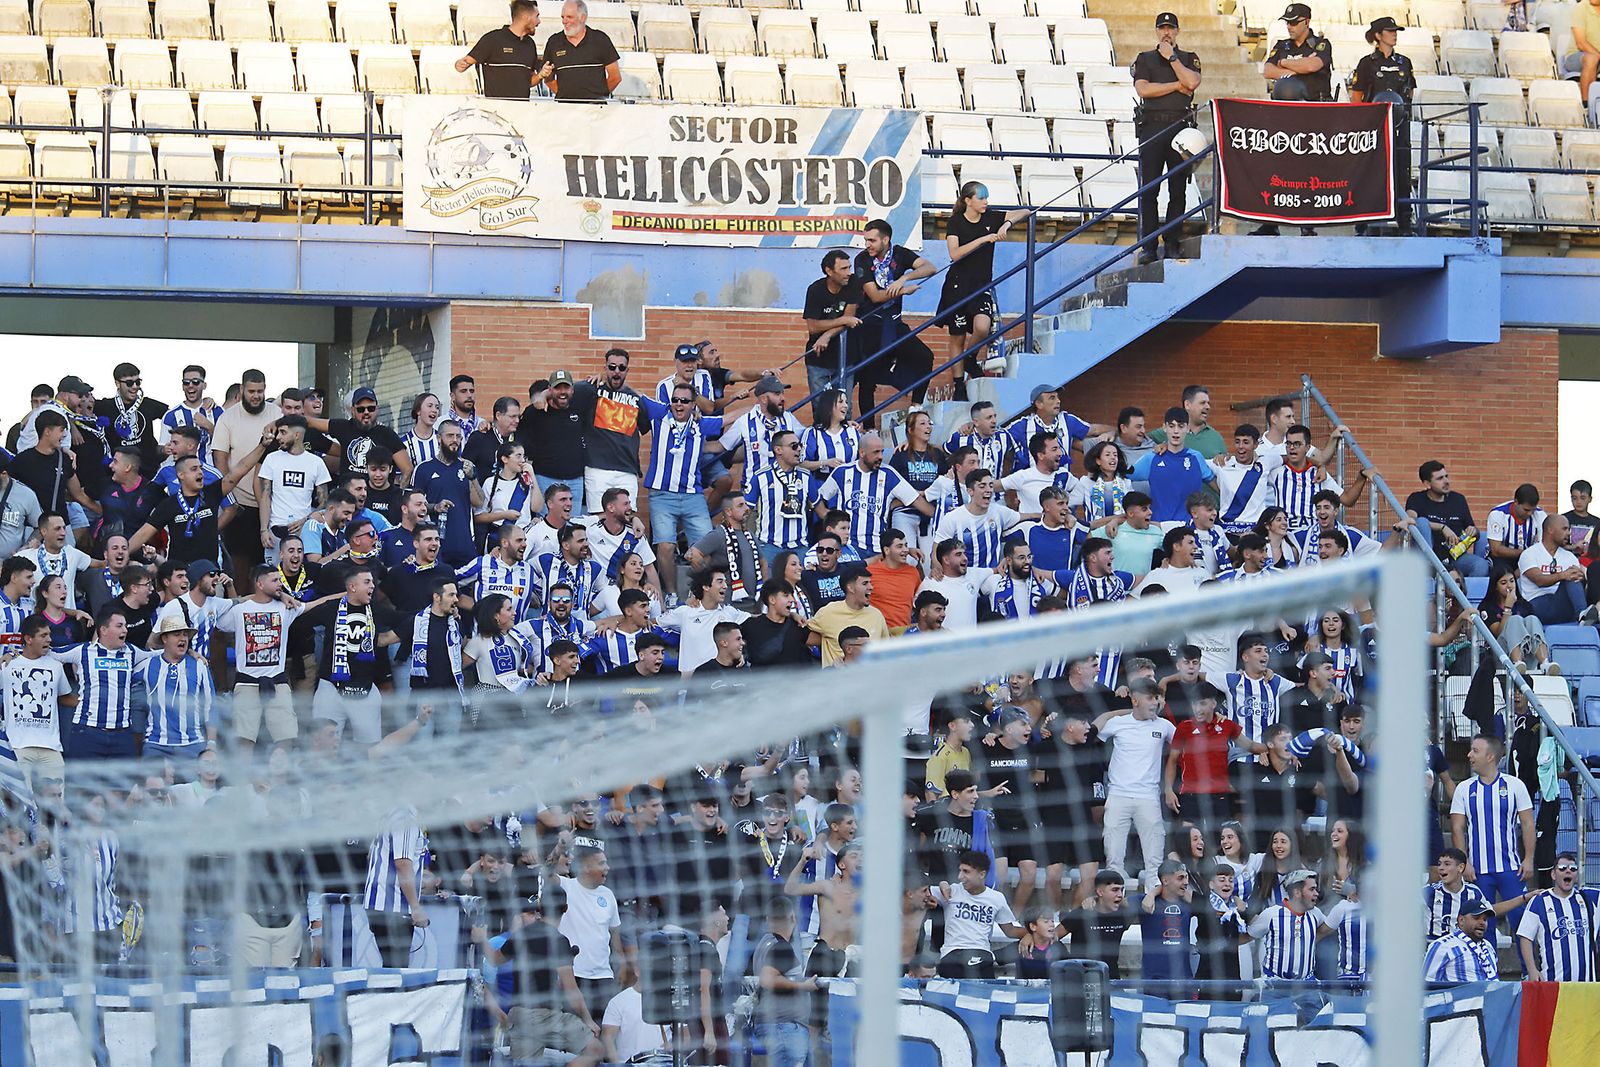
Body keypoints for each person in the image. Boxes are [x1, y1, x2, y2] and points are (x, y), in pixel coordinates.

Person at [473, 883, 605, 1067]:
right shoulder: (558, 940)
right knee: (595, 1050)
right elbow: (571, 989)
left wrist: (481, 938)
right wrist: (588, 1020)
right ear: (565, 909)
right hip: (546, 1016)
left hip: (519, 1016)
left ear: (539, 909)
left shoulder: (521, 935)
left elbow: (495, 960)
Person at [938, 182, 1030, 396]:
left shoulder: (991, 217)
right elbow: (955, 253)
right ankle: (959, 384)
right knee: (957, 336)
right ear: (968, 200)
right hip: (958, 285)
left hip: (981, 285)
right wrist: (984, 239)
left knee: (982, 326)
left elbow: (1025, 211)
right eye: (981, 198)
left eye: (986, 197)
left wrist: (1006, 224)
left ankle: (970, 357)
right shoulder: (956, 222)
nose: (986, 202)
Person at [1252, 3, 1332, 236]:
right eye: (1287, 22)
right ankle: (1271, 222)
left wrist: (1285, 64)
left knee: (1308, 169)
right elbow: (1267, 70)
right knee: (1276, 166)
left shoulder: (1321, 44)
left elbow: (1314, 64)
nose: (1290, 26)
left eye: (1294, 22)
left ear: (1307, 21)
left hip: (1313, 113)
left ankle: (1307, 224)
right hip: (1283, 114)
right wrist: (1299, 69)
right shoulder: (1281, 44)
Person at [215, 564, 312, 754]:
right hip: (246, 683)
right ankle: (244, 783)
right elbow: (218, 622)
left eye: (280, 581)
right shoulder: (240, 610)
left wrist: (344, 596)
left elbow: (316, 604)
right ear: (259, 583)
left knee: (286, 738)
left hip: (278, 682)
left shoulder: (286, 607)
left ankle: (281, 781)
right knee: (244, 740)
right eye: (275, 580)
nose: (280, 584)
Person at [1131, 12, 1202, 264]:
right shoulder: (1145, 58)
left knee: (1178, 189)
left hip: (1180, 127)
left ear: (1177, 31)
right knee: (1149, 190)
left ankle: (1172, 242)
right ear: (1156, 31)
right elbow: (1143, 89)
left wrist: (1171, 59)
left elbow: (1192, 82)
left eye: (1170, 29)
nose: (1166, 33)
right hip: (1151, 127)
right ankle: (1148, 246)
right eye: (1162, 28)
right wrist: (1175, 85)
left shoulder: (1187, 58)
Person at [638, 383, 722, 594]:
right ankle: (673, 594)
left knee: (707, 548)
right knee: (665, 545)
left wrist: (758, 401)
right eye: (675, 399)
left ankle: (703, 593)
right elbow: (636, 394)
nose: (678, 404)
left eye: (684, 401)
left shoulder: (701, 424)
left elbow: (730, 419)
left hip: (693, 495)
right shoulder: (660, 413)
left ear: (694, 405)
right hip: (662, 494)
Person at [1451, 733, 1535, 941]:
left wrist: (1529, 858)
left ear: (1490, 757)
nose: (1469, 755)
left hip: (1510, 868)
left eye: (1475, 751)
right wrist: (1464, 863)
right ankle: (1486, 972)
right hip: (1478, 870)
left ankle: (1529, 972)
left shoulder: (1515, 785)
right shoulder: (1464, 788)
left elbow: (1527, 823)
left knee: (1522, 920)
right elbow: (1457, 827)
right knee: (1481, 925)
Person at [1098, 677, 1175, 889]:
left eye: (1157, 698)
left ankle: (1154, 903)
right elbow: (1092, 738)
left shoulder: (1165, 726)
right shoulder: (1116, 724)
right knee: (1113, 858)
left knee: (1154, 861)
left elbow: (1183, 748)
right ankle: (1115, 906)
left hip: (1149, 798)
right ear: (1134, 700)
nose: (1155, 703)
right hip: (1118, 796)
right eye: (1150, 698)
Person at [853, 218, 937, 410]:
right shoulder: (862, 259)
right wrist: (903, 290)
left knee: (924, 357)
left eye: (872, 240)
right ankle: (868, 429)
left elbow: (930, 267)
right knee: (867, 376)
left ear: (886, 239)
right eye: (866, 240)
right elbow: (874, 296)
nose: (867, 245)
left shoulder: (900, 253)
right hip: (870, 324)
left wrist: (904, 278)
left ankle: (916, 407)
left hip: (894, 323)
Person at [207, 369, 282, 581]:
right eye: (251, 391)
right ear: (242, 390)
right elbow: (219, 459)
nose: (256, 395)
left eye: (260, 391)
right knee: (239, 568)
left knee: (268, 569)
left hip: (271, 505)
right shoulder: (227, 418)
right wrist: (228, 498)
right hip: (239, 504)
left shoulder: (277, 415)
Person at [1348, 16, 1416, 236]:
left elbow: (1410, 93)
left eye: (1396, 30)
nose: (1394, 34)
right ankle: (1365, 223)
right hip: (1373, 127)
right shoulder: (1367, 63)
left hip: (1399, 125)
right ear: (1378, 35)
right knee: (1371, 172)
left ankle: (1405, 221)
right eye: (1390, 30)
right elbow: (1357, 96)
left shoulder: (1404, 61)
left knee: (1402, 171)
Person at [0, 614, 73, 787]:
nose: (49, 639)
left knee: (55, 805)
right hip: (18, 747)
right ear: (28, 639)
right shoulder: (8, 665)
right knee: (21, 805)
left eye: (49, 634)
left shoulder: (55, 666)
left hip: (51, 747)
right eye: (43, 635)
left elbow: (65, 698)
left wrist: (88, 703)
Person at [571, 349, 647, 512]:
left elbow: (648, 424)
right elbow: (566, 392)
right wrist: (591, 381)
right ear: (605, 368)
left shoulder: (635, 398)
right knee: (598, 519)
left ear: (627, 370)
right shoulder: (592, 390)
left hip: (627, 470)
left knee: (627, 519)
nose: (616, 371)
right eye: (612, 367)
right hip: (597, 469)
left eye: (621, 367)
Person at [930, 849, 1024, 978]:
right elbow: (918, 889)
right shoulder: (951, 890)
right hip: (952, 953)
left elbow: (1010, 930)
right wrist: (942, 882)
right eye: (960, 870)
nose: (960, 877)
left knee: (982, 991)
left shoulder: (996, 898)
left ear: (981, 874)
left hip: (981, 953)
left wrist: (1029, 934)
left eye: (966, 872)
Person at [751, 896, 820, 1067]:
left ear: (767, 919)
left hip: (778, 1026)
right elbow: (767, 979)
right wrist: (803, 986)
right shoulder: (782, 947)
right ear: (793, 918)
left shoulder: (764, 943)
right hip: (784, 1028)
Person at [138, 611, 215, 762]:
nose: (183, 639)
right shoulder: (147, 665)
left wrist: (211, 744)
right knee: (151, 784)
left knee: (197, 785)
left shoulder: (199, 666)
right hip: (156, 744)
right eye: (177, 634)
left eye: (185, 635)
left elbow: (210, 707)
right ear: (164, 638)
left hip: (192, 743)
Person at [256, 415, 332, 561]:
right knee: (274, 578)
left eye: (283, 433)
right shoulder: (271, 458)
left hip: (304, 530)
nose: (278, 437)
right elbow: (265, 496)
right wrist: (264, 530)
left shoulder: (316, 463)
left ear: (297, 435)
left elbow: (324, 503)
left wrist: (307, 519)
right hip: (276, 529)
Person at [1516, 851, 1598, 981]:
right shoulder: (1540, 901)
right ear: (1553, 874)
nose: (1568, 871)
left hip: (1587, 986)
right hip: (1553, 984)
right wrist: (1532, 970)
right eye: (1562, 868)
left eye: (1573, 869)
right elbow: (1525, 937)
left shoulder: (1590, 899)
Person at [518, 371, 588, 514]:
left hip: (575, 480)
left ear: (572, 389)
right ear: (550, 390)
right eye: (557, 388)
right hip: (545, 479)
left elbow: (593, 387)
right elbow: (519, 436)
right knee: (546, 525)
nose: (562, 392)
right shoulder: (535, 411)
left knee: (572, 526)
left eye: (566, 388)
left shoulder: (580, 408)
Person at [801, 250, 864, 403]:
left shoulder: (853, 282)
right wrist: (842, 321)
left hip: (846, 356)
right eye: (843, 269)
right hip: (818, 358)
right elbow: (813, 327)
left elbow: (850, 316)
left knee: (844, 408)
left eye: (849, 267)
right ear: (829, 271)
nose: (849, 273)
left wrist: (827, 334)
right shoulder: (815, 290)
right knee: (820, 407)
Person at [1404, 460, 1486, 577]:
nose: (1446, 481)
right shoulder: (1416, 499)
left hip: (1455, 556)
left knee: (1480, 565)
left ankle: (1465, 595)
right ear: (1427, 483)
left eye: (1446, 476)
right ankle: (1429, 568)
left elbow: (1472, 529)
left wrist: (1473, 531)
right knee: (1421, 522)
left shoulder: (1458, 499)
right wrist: (1442, 527)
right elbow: (1411, 520)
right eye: (1440, 478)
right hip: (1429, 556)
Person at [457, 0, 547, 98]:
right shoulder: (493, 39)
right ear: (525, 17)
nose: (539, 22)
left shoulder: (530, 45)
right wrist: (460, 64)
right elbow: (463, 64)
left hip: (522, 110)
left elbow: (529, 82)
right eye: (537, 16)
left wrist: (541, 75)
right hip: (495, 110)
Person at [1249, 868, 1325, 983]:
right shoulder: (1271, 914)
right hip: (1275, 988)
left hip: (1307, 987)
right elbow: (1248, 936)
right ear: (1297, 892)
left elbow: (1329, 928)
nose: (1316, 893)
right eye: (1312, 889)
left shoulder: (1316, 914)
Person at [1517, 514, 1594, 626]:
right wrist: (1562, 575)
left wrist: (1581, 578)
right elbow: (1539, 580)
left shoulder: (1570, 557)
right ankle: (1582, 616)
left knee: (1573, 577)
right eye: (1564, 529)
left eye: (1569, 529)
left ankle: (1583, 616)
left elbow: (1575, 581)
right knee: (1570, 576)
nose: (1569, 533)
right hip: (1536, 606)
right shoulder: (1529, 554)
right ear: (1550, 530)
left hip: (1562, 605)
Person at [96, 361, 168, 475]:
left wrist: (204, 403)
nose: (135, 387)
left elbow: (175, 414)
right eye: (129, 383)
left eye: (138, 382)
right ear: (117, 383)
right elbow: (76, 411)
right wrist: (74, 430)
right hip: (116, 473)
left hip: (147, 472)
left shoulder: (147, 404)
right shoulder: (105, 406)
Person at [1059, 870, 1134, 977]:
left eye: (1122, 890)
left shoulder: (1124, 915)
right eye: (1115, 890)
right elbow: (1052, 936)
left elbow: (1147, 899)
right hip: (1081, 979)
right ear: (1100, 892)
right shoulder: (1082, 913)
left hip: (1110, 979)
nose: (1120, 895)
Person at [542, 0, 622, 101]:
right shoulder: (554, 42)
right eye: (563, 17)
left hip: (595, 111)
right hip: (564, 109)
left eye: (569, 17)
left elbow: (615, 77)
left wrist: (599, 97)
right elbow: (548, 79)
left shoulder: (600, 39)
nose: (564, 21)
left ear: (583, 17)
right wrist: (565, 96)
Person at [1139, 858, 1196, 981]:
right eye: (1180, 878)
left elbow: (1211, 904)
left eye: (1187, 877)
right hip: (1154, 980)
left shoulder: (1190, 903)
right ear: (1165, 880)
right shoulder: (1146, 902)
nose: (1186, 882)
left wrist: (1154, 892)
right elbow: (1116, 903)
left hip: (1183, 980)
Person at [1422, 897, 1499, 983]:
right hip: (1460, 996)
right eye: (1476, 918)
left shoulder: (1488, 946)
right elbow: (1426, 984)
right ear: (1461, 920)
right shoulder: (1442, 946)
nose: (1482, 923)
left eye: (1485, 919)